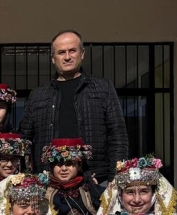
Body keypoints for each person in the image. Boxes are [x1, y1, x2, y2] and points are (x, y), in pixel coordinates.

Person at [17, 30, 128, 184]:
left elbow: (118, 136)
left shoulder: (103, 88)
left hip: (96, 178)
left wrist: (115, 179)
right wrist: (27, 177)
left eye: (72, 51)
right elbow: (24, 140)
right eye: (61, 52)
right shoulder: (38, 95)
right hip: (48, 181)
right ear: (53, 58)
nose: (67, 57)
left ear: (82, 54)